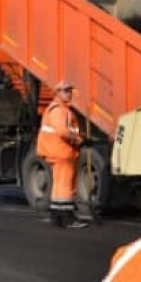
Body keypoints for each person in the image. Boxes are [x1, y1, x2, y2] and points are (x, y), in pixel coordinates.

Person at [36, 80, 87, 228]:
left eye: (70, 90)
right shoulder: (59, 110)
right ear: (57, 92)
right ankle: (67, 218)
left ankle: (57, 216)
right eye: (65, 91)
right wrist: (79, 140)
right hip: (63, 152)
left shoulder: (60, 109)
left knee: (58, 186)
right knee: (65, 186)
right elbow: (63, 131)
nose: (69, 93)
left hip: (58, 151)